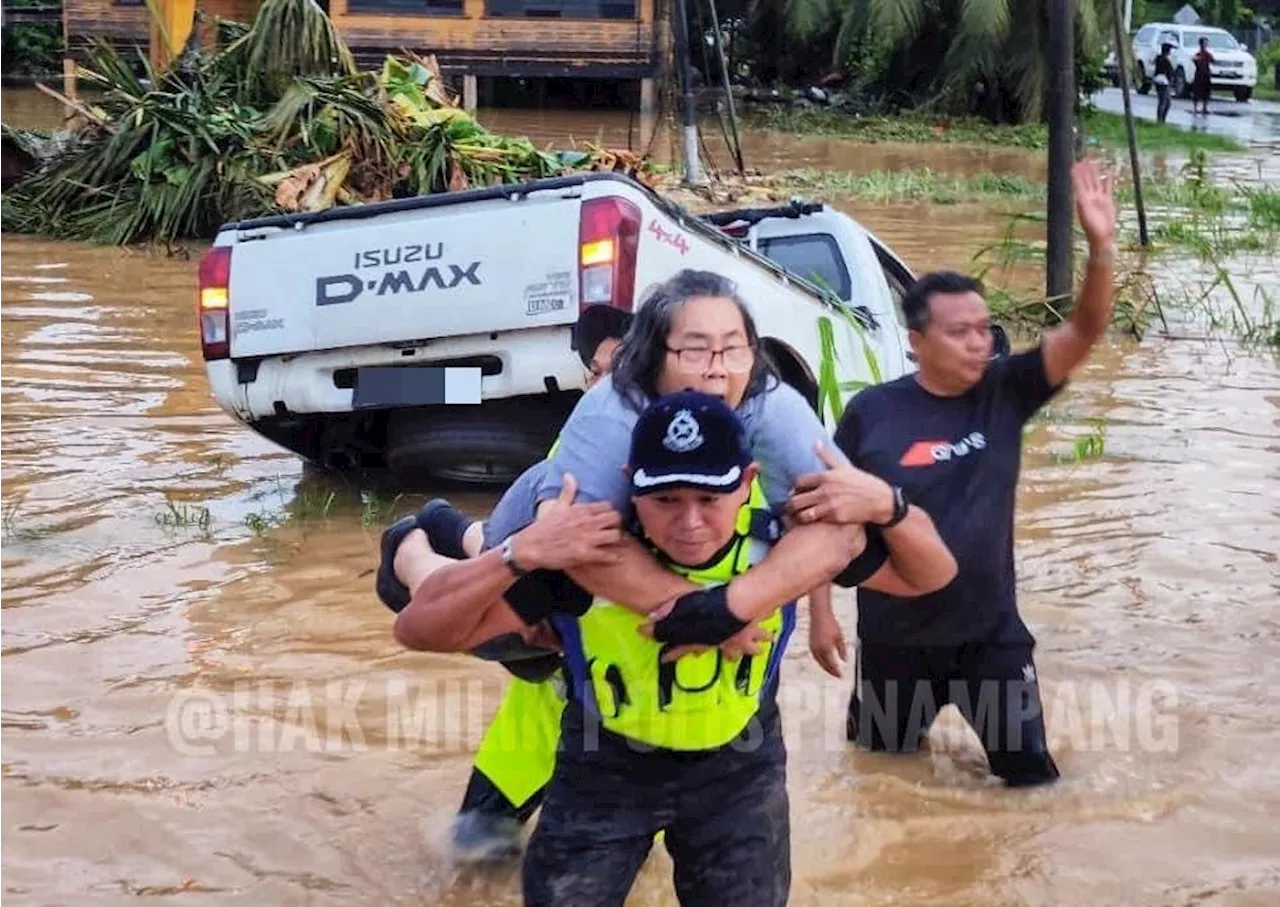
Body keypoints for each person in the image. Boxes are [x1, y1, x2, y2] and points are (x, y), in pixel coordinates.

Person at [392, 390, 898, 907]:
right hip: (587, 730)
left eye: (708, 499)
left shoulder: (776, 541)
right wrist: (519, 555)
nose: (690, 522)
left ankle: (441, 531)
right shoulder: (587, 509)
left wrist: (879, 517)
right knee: (478, 848)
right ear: (631, 485)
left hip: (728, 759)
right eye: (667, 500)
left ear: (745, 484)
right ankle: (415, 542)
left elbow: (882, 560)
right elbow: (429, 625)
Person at [380, 269, 959, 659]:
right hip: (543, 515)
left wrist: (730, 610)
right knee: (509, 626)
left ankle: (450, 522)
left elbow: (835, 525)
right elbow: (582, 551)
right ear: (652, 358)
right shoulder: (611, 411)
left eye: (733, 349)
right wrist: (698, 615)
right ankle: (411, 545)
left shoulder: (773, 407)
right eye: (694, 350)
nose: (717, 369)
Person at [828, 158, 1117, 788]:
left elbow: (1088, 329)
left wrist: (1099, 249)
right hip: (892, 645)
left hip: (989, 638)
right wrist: (821, 615)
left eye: (985, 329)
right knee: (879, 778)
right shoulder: (871, 413)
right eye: (959, 332)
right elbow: (824, 516)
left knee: (1031, 785)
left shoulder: (1007, 392)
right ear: (916, 340)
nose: (978, 343)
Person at [1191, 36, 1214, 116]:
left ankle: (1205, 107)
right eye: (1204, 43)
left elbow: (1213, 61)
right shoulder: (1197, 55)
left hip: (1206, 75)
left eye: (1206, 43)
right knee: (1197, 91)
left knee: (1206, 92)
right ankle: (1195, 108)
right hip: (1199, 75)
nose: (1205, 45)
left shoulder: (1208, 54)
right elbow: (1194, 61)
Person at [1154, 42, 1174, 124]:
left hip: (1159, 80)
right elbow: (1169, 72)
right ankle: (1161, 120)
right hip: (1163, 81)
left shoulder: (1158, 58)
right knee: (1164, 102)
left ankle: (1161, 119)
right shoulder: (1165, 60)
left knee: (1164, 102)